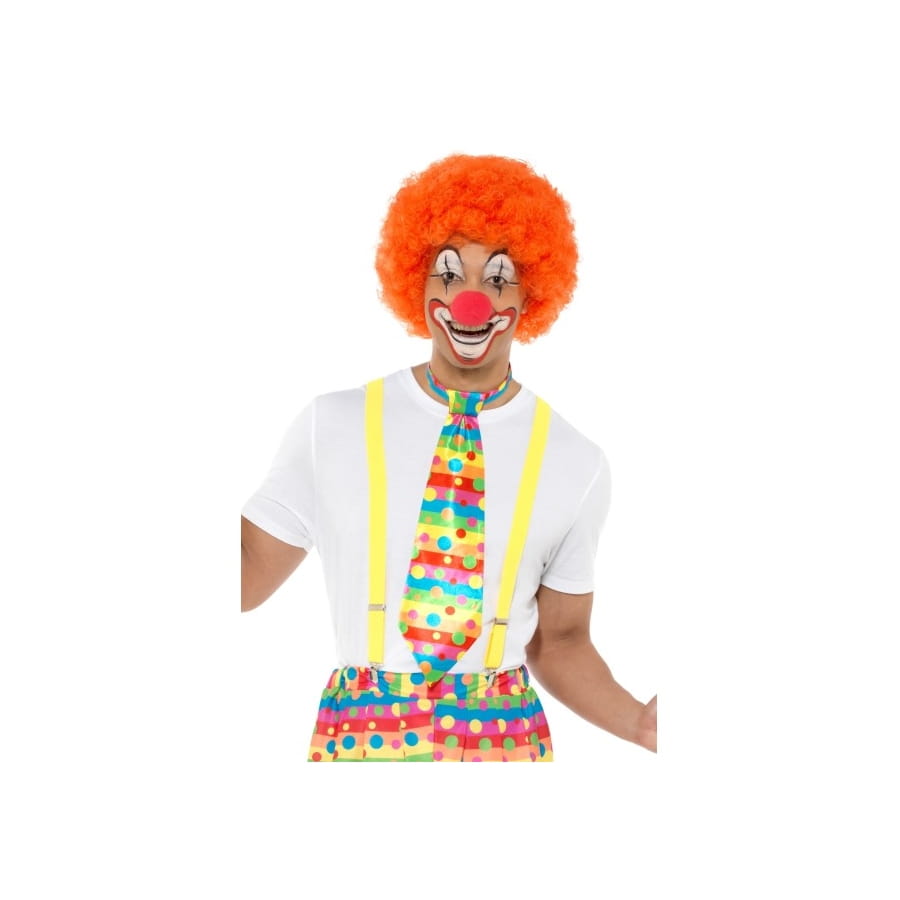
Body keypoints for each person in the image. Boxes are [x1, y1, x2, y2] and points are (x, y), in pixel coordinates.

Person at [241, 154, 657, 761]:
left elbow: (562, 642)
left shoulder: (578, 461)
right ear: (418, 283)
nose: (471, 302)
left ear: (533, 291)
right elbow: (247, 570)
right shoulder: (331, 424)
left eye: (498, 278)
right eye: (448, 273)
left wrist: (642, 724)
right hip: (360, 739)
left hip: (505, 742)